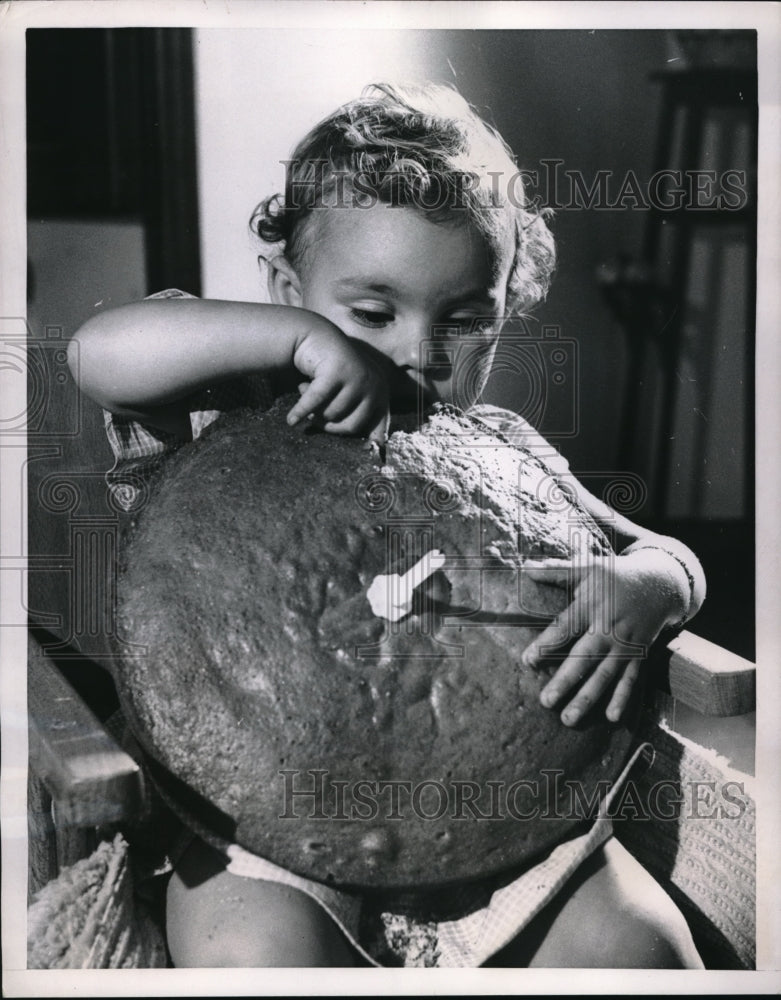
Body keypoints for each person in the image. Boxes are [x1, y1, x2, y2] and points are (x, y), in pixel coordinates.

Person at [69, 82, 705, 969]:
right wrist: (293, 343)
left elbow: (665, 556)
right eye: (370, 314)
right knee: (252, 959)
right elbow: (95, 355)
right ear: (289, 288)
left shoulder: (500, 455)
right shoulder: (226, 416)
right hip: (258, 830)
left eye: (464, 320)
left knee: (641, 950)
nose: (417, 353)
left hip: (496, 829)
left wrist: (648, 588)